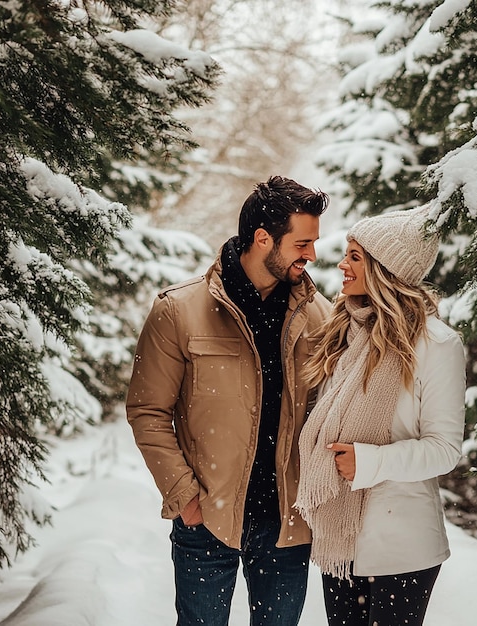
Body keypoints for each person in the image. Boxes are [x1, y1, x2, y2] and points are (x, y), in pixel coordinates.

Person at [126, 176, 330, 626]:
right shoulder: (177, 311)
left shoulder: (320, 316)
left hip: (286, 525)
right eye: (302, 243)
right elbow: (147, 410)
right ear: (262, 238)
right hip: (206, 521)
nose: (312, 255)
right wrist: (184, 496)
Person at [295, 206, 466, 626]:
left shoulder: (436, 344)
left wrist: (369, 462)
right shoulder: (344, 334)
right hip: (340, 540)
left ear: (385, 269)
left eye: (355, 256)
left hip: (401, 546)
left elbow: (445, 450)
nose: (342, 264)